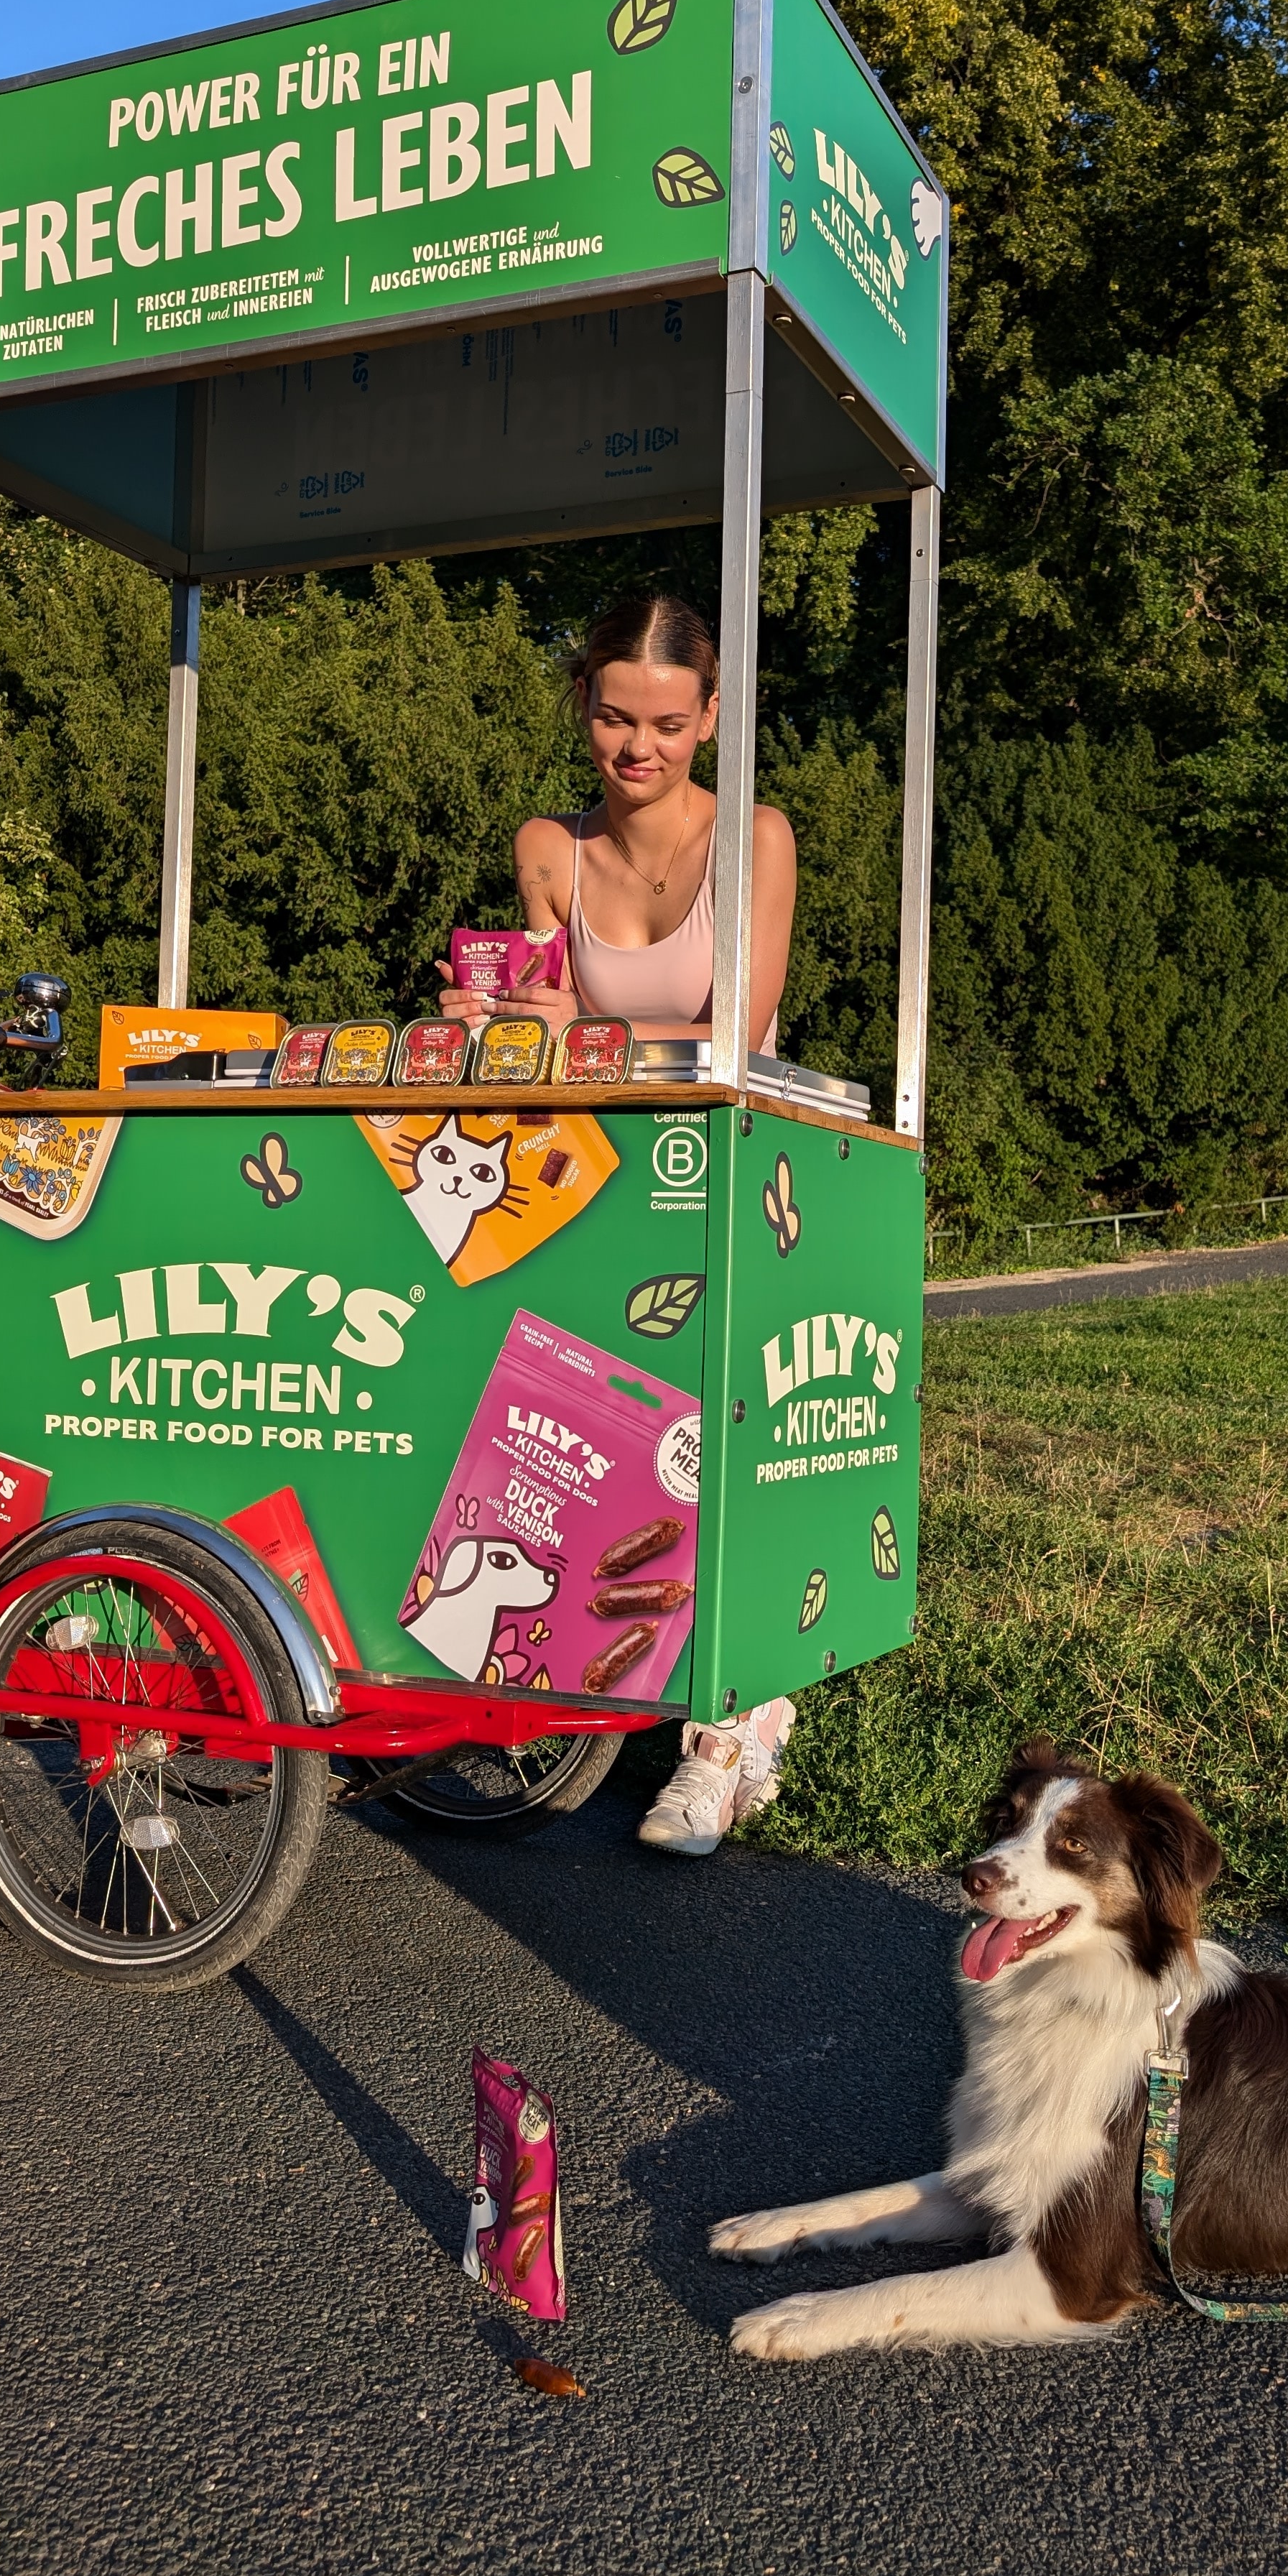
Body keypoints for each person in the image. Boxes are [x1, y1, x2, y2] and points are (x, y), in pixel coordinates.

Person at [437, 592, 798, 1857]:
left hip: (730, 1161)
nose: (634, 749)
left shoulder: (754, 840)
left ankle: (724, 1739)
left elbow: (740, 1046)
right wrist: (483, 1029)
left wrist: (567, 1035)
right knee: (598, 1441)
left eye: (662, 724)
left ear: (708, 718)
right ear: (581, 705)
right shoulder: (549, 847)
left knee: (724, 1439)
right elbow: (534, 1024)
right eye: (609, 717)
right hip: (593, 1174)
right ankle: (581, 1669)